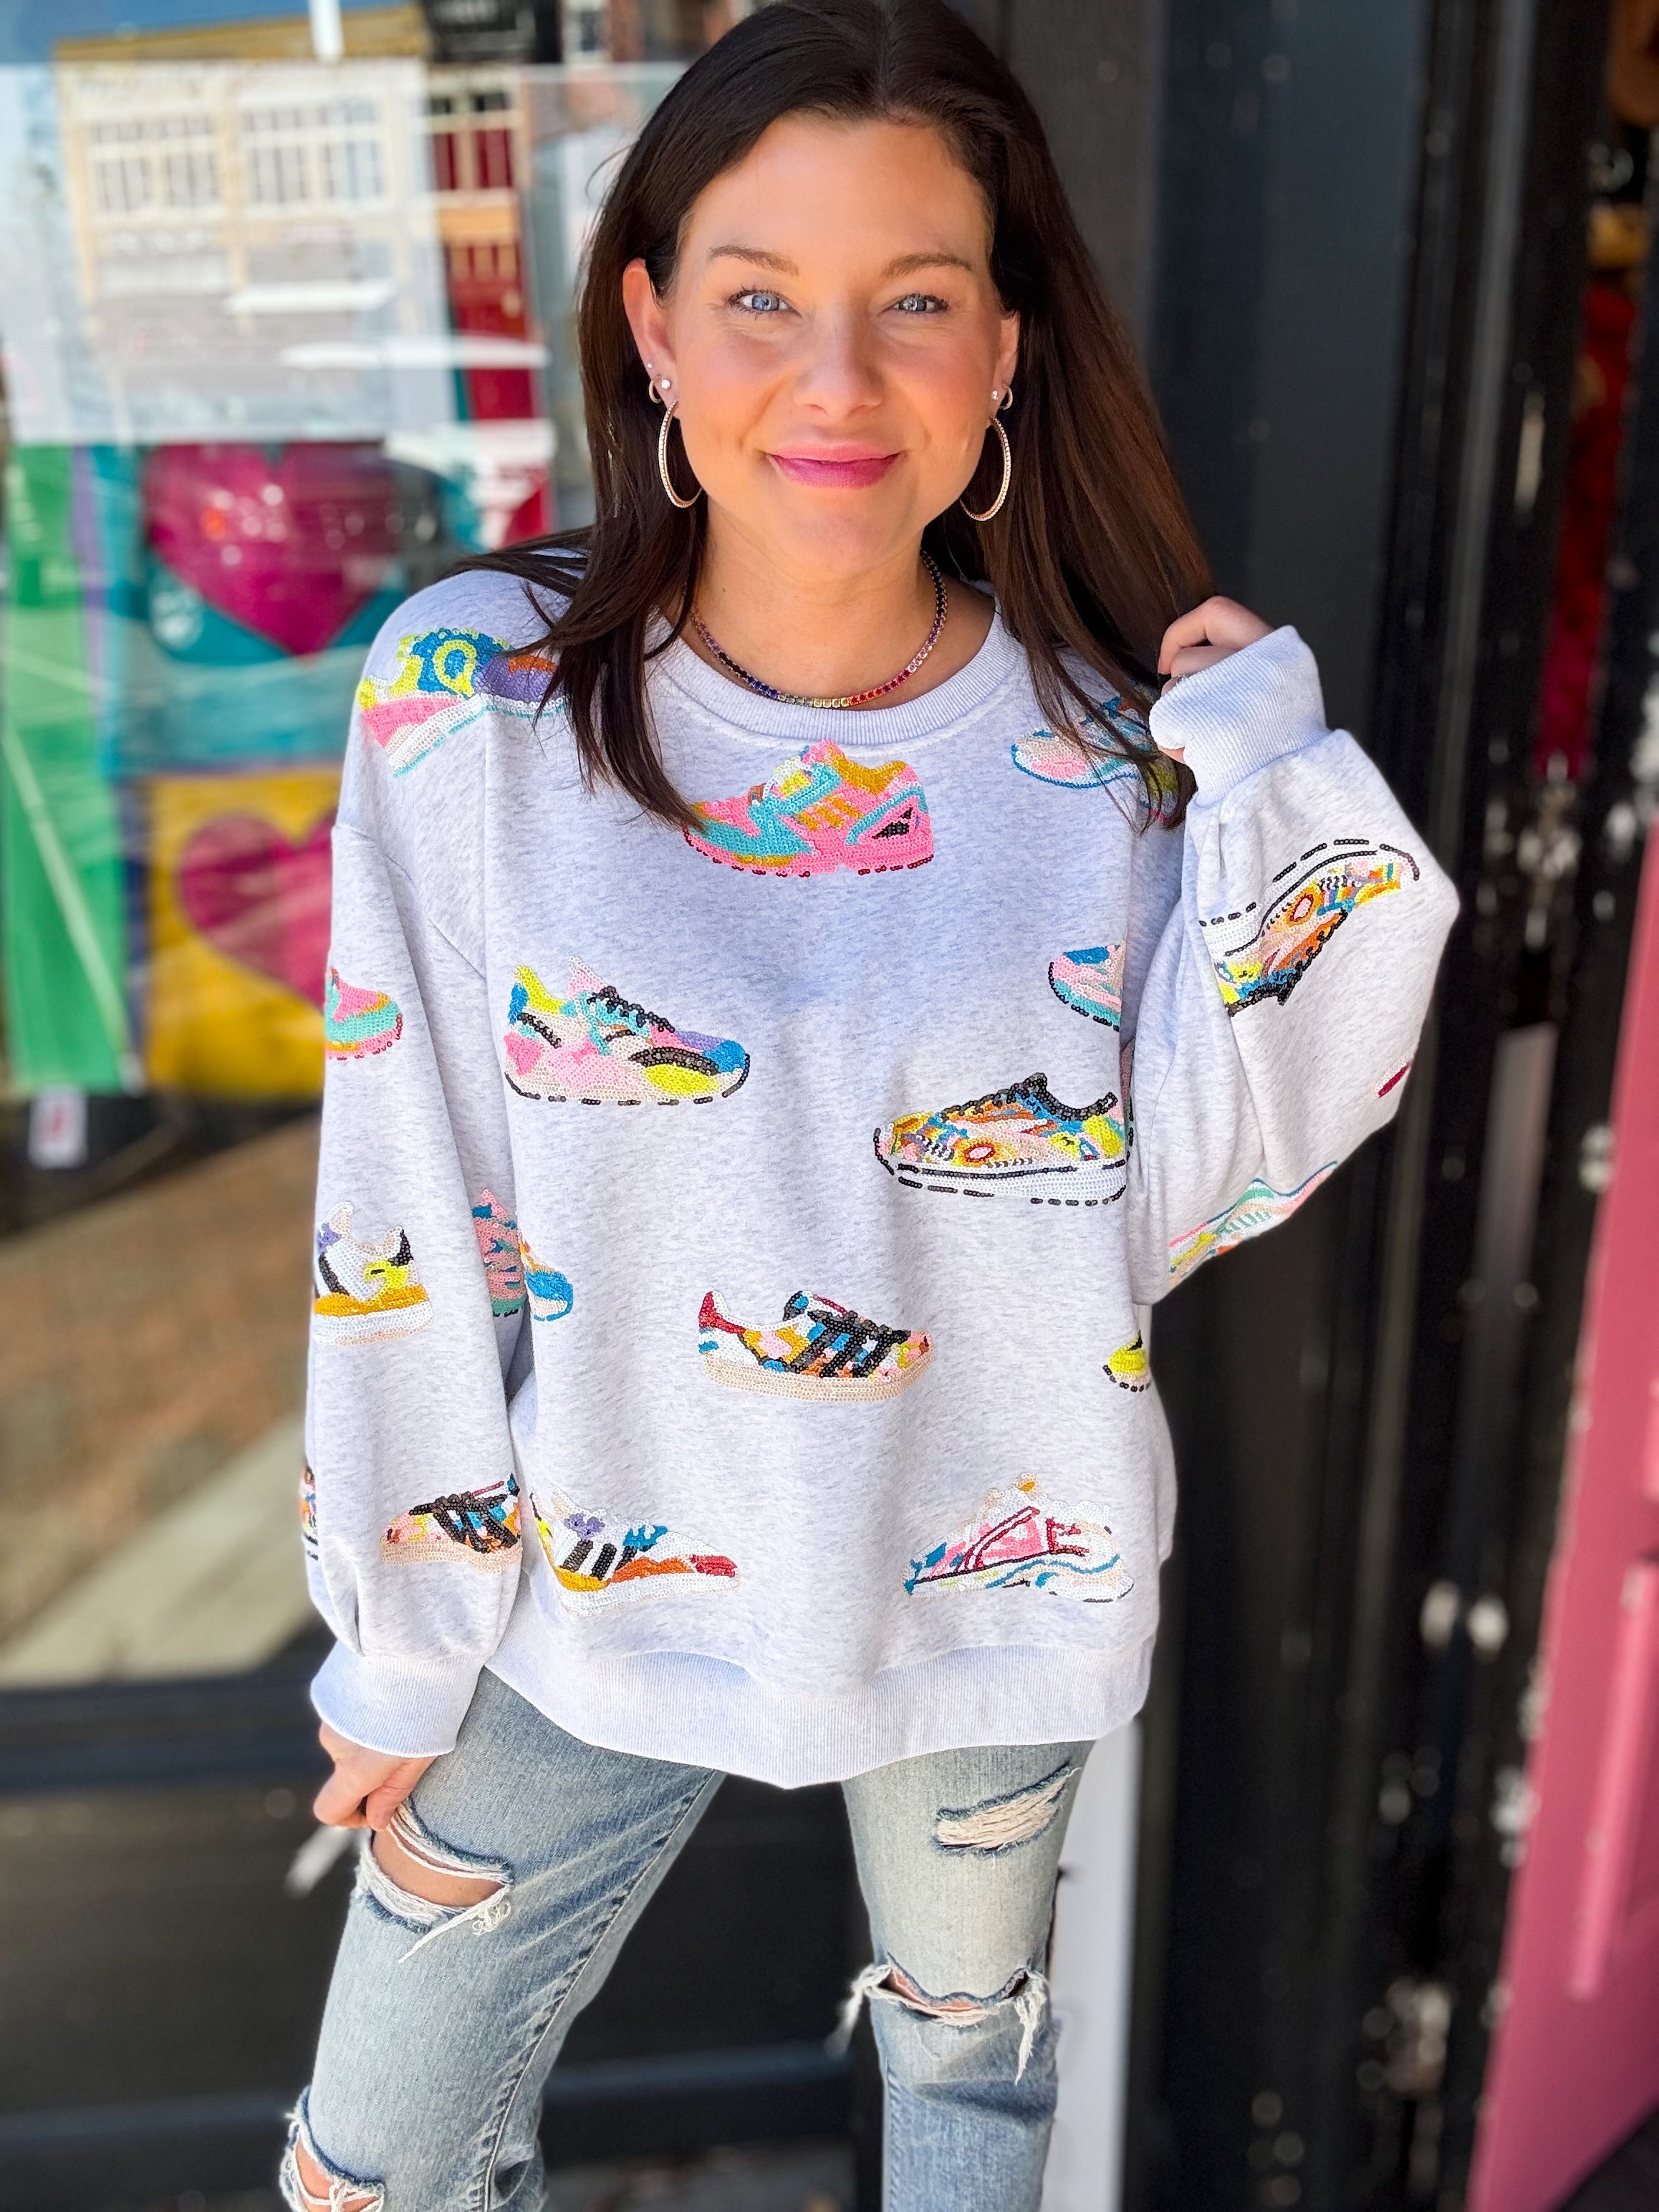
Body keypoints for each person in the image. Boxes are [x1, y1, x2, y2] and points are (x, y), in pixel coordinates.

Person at [284, 4, 1456, 2206]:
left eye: (913, 302)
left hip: (989, 1592)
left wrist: (1270, 777)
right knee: (378, 2165)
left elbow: (1202, 1176)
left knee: (964, 2118)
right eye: (759, 299)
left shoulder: (1110, 764)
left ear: (1001, 351)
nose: (835, 379)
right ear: (650, 323)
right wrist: (398, 1634)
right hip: (578, 1585)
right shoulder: (478, 700)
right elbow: (401, 1206)